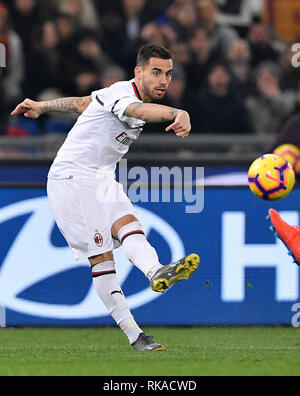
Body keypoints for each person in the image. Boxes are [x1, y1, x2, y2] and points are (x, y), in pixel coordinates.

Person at [11, 45, 200, 352]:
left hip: (101, 176)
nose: (163, 80)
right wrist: (178, 112)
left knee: (130, 226)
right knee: (102, 257)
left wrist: (42, 106)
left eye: (168, 73)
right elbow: (138, 112)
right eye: (156, 72)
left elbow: (83, 102)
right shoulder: (122, 96)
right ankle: (135, 335)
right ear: (137, 72)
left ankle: (156, 272)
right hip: (71, 178)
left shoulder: (110, 93)